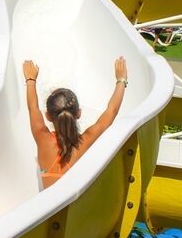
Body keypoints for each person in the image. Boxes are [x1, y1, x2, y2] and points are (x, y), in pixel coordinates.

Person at [22, 57, 128, 189]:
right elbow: (112, 111)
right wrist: (121, 80)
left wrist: (30, 80)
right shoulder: (85, 142)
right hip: (78, 208)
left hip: (53, 209)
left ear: (48, 116)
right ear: (78, 113)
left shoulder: (42, 138)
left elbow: (33, 108)